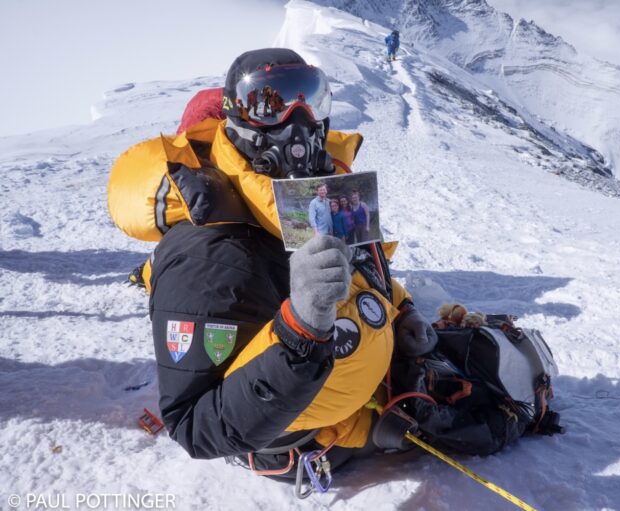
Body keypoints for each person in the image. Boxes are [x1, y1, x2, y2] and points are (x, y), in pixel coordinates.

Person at [107, 48, 437, 474]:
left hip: (364, 394)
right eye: (272, 103)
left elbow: (359, 272)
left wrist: (401, 307)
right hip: (306, 442)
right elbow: (195, 425)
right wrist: (300, 327)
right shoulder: (207, 254)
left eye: (311, 98)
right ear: (237, 117)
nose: (298, 122)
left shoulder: (321, 196)